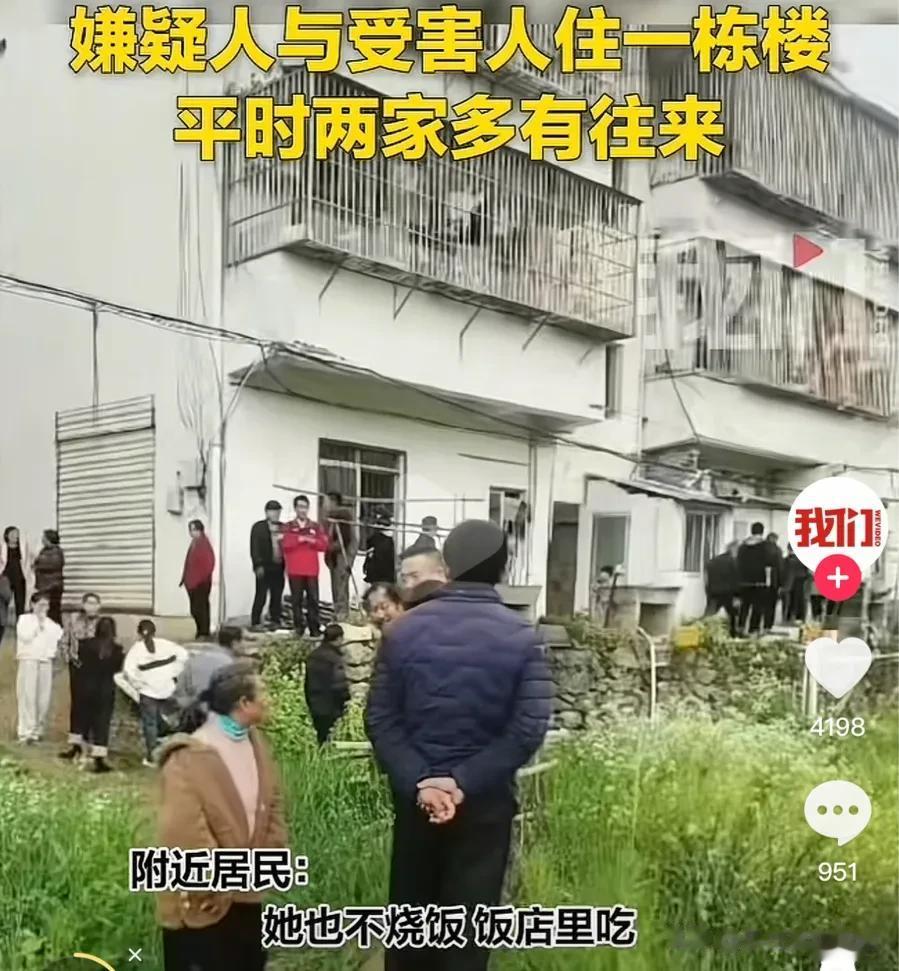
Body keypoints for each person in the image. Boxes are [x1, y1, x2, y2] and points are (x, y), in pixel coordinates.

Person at [366, 519, 553, 971]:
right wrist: (462, 782)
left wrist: (423, 782)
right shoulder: (523, 638)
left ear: (447, 568)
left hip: (417, 803)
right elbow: (529, 727)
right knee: (468, 932)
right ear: (503, 569)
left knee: (411, 923)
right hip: (485, 805)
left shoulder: (402, 632)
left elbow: (380, 719)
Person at [156, 662, 287, 971]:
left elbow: (272, 803)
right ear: (244, 703)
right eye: (263, 693)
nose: (270, 699)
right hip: (204, 901)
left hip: (246, 895)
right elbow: (185, 834)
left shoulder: (255, 743)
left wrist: (270, 854)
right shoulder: (190, 757)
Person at [124, 620, 189, 766]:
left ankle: (153, 756)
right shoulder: (165, 644)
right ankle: (174, 744)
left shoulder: (136, 650)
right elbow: (183, 655)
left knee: (150, 723)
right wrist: (173, 672)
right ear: (155, 631)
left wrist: (140, 684)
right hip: (167, 688)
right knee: (175, 717)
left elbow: (129, 671)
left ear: (139, 633)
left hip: (148, 691)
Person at [74, 615, 124, 773]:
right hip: (105, 690)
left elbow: (80, 665)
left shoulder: (85, 645)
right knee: (102, 724)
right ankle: (99, 757)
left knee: (85, 721)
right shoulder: (117, 650)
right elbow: (117, 669)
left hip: (86, 688)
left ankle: (83, 752)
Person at [59, 592, 103, 761]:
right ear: (83, 605)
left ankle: (90, 743)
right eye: (89, 603)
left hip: (95, 670)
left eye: (95, 603)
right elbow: (65, 642)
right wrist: (69, 659)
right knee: (77, 706)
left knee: (92, 706)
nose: (92, 606)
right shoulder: (73, 620)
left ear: (99, 606)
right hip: (77, 668)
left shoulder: (104, 623)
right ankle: (75, 745)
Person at [16, 592, 63, 743]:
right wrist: (38, 622)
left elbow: (56, 638)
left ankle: (38, 729)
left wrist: (44, 623)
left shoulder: (52, 624)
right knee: (27, 695)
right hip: (29, 659)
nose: (43, 608)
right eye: (40, 604)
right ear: (33, 605)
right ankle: (25, 731)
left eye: (46, 605)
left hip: (45, 661)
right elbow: (26, 636)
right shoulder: (24, 620)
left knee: (43, 697)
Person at [282, 495, 328, 638]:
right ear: (295, 508)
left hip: (311, 570)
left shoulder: (315, 526)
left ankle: (314, 628)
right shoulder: (288, 526)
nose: (302, 510)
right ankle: (299, 628)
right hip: (295, 569)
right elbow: (285, 544)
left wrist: (312, 541)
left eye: (305, 507)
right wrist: (300, 539)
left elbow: (323, 545)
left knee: (313, 600)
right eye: (300, 507)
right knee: (296, 600)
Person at [175, 626, 247, 716]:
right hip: (218, 716)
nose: (246, 645)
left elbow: (180, 690)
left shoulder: (195, 659)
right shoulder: (231, 666)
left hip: (192, 712)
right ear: (235, 643)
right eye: (245, 640)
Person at [304, 623, 351, 745]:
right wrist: (347, 702)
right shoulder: (334, 659)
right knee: (333, 740)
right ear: (339, 638)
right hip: (332, 707)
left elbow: (307, 683)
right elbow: (340, 685)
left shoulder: (312, 656)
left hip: (315, 705)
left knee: (321, 739)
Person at [737, 522, 782, 636]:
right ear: (762, 532)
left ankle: (741, 627)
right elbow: (772, 563)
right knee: (757, 607)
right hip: (760, 581)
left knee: (744, 606)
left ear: (751, 531)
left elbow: (738, 563)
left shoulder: (742, 547)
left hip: (744, 581)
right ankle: (753, 629)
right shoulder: (766, 546)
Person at [249, 500, 285, 631]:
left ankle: (275, 620)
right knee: (261, 595)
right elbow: (254, 547)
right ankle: (255, 621)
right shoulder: (259, 527)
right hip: (264, 566)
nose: (275, 514)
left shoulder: (283, 527)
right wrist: (257, 565)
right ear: (267, 512)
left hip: (279, 566)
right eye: (273, 511)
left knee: (277, 595)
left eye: (278, 512)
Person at [323, 492, 356, 621]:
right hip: (334, 559)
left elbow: (345, 539)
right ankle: (338, 613)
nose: (324, 505)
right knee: (336, 588)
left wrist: (328, 546)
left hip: (342, 558)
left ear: (333, 502)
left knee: (340, 587)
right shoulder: (332, 519)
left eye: (326, 502)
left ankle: (342, 615)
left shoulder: (342, 517)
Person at [181, 520, 216, 639]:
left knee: (201, 609)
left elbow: (209, 564)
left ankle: (204, 632)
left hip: (201, 584)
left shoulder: (204, 544)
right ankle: (200, 630)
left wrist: (200, 579)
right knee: (195, 609)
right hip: (192, 583)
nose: (191, 533)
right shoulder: (194, 543)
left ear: (199, 530)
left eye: (193, 530)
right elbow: (189, 563)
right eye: (191, 530)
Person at [704, 541, 740, 637]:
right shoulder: (734, 562)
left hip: (714, 592)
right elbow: (736, 579)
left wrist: (708, 591)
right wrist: (737, 595)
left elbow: (707, 578)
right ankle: (733, 635)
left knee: (709, 616)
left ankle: (704, 632)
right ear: (734, 549)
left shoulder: (713, 561)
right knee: (733, 616)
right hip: (729, 593)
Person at [1, 525, 32, 621]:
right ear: (7, 535)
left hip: (19, 577)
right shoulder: (2, 547)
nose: (16, 536)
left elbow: (29, 560)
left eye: (17, 534)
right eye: (13, 534)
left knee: (20, 602)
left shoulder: (22, 547)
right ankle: (2, 623)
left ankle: (20, 623)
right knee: (3, 601)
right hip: (6, 578)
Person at [33, 529, 64, 624]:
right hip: (44, 585)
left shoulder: (56, 551)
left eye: (44, 537)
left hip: (53, 586)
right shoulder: (44, 550)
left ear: (49, 539)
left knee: (53, 611)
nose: (42, 539)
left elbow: (54, 564)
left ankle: (57, 629)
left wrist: (38, 566)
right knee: (45, 610)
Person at [363, 511, 396, 585]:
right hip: (386, 574)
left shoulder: (376, 538)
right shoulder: (390, 539)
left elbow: (369, 555)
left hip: (377, 572)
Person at [781, 545, 811, 624]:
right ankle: (799, 618)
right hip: (800, 582)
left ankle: (788, 618)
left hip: (788, 584)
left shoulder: (786, 560)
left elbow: (782, 572)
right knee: (800, 601)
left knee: (789, 603)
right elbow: (808, 573)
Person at [765, 532, 785, 628]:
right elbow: (780, 568)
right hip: (774, 581)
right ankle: (768, 625)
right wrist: (781, 584)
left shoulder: (760, 549)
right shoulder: (777, 550)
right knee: (771, 604)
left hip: (759, 581)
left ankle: (755, 626)